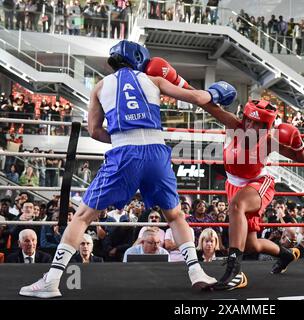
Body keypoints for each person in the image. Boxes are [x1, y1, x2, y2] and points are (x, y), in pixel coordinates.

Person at [20, 40, 237, 298]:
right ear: (139, 59)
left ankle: (52, 280)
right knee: (176, 216)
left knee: (82, 216)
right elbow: (198, 98)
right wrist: (216, 92)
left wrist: (125, 139)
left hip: (124, 153)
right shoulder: (153, 80)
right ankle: (196, 272)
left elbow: (96, 130)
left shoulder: (100, 87)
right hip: (157, 152)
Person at [197, 99, 304, 291]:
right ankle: (286, 255)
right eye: (249, 120)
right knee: (251, 245)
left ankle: (235, 272)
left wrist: (298, 142)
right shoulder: (233, 126)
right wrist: (181, 85)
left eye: (257, 124)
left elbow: (302, 159)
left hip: (258, 184)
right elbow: (207, 105)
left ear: (266, 127)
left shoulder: (269, 141)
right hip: (234, 185)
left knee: (236, 207)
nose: (250, 126)